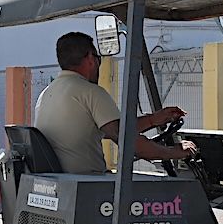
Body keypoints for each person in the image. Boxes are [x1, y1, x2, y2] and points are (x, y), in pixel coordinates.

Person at [33, 31, 194, 174]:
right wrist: (175, 152)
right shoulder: (90, 92)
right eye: (98, 58)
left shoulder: (47, 94)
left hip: (61, 181)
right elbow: (128, 141)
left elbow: (114, 129)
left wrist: (153, 120)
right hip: (86, 182)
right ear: (90, 58)